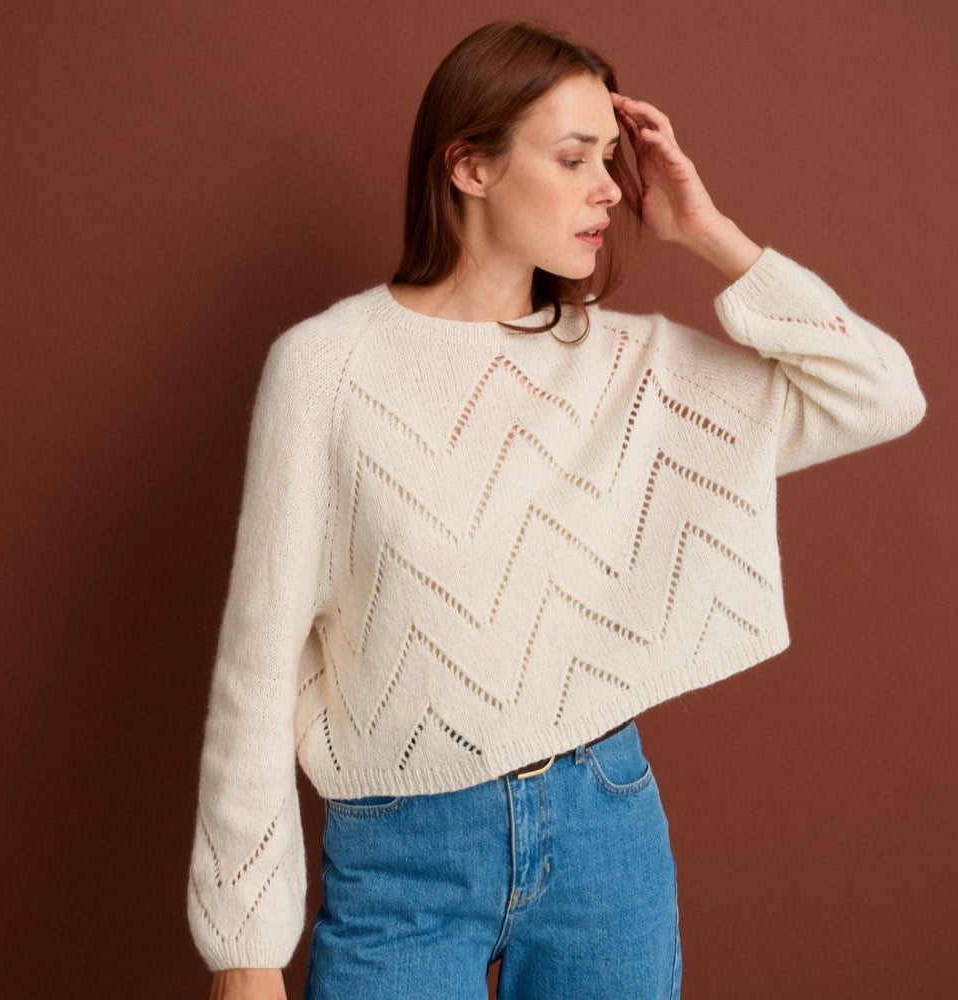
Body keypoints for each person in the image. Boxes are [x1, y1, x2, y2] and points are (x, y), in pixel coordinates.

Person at [187, 21, 925, 1000]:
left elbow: (881, 394)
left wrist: (708, 230)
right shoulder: (325, 368)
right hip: (403, 859)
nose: (610, 188)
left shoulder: (632, 370)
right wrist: (243, 950)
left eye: (611, 159)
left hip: (601, 828)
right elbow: (257, 667)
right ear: (470, 168)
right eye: (574, 158)